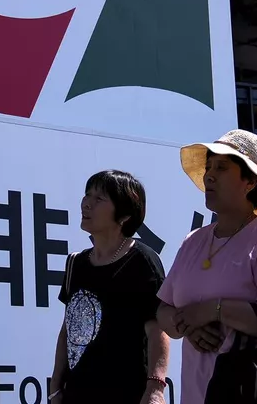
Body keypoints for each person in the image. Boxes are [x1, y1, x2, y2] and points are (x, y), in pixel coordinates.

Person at [156, 129, 257, 404]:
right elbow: (163, 311)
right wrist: (189, 325)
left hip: (248, 393)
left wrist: (214, 310)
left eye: (222, 167)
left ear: (251, 182)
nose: (209, 175)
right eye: (208, 167)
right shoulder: (194, 241)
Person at [52, 170, 169, 404]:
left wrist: (156, 389)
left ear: (125, 214)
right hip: (76, 394)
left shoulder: (142, 261)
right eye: (87, 195)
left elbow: (157, 330)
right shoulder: (76, 263)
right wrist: (55, 387)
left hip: (126, 393)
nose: (87, 203)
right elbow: (68, 329)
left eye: (99, 198)